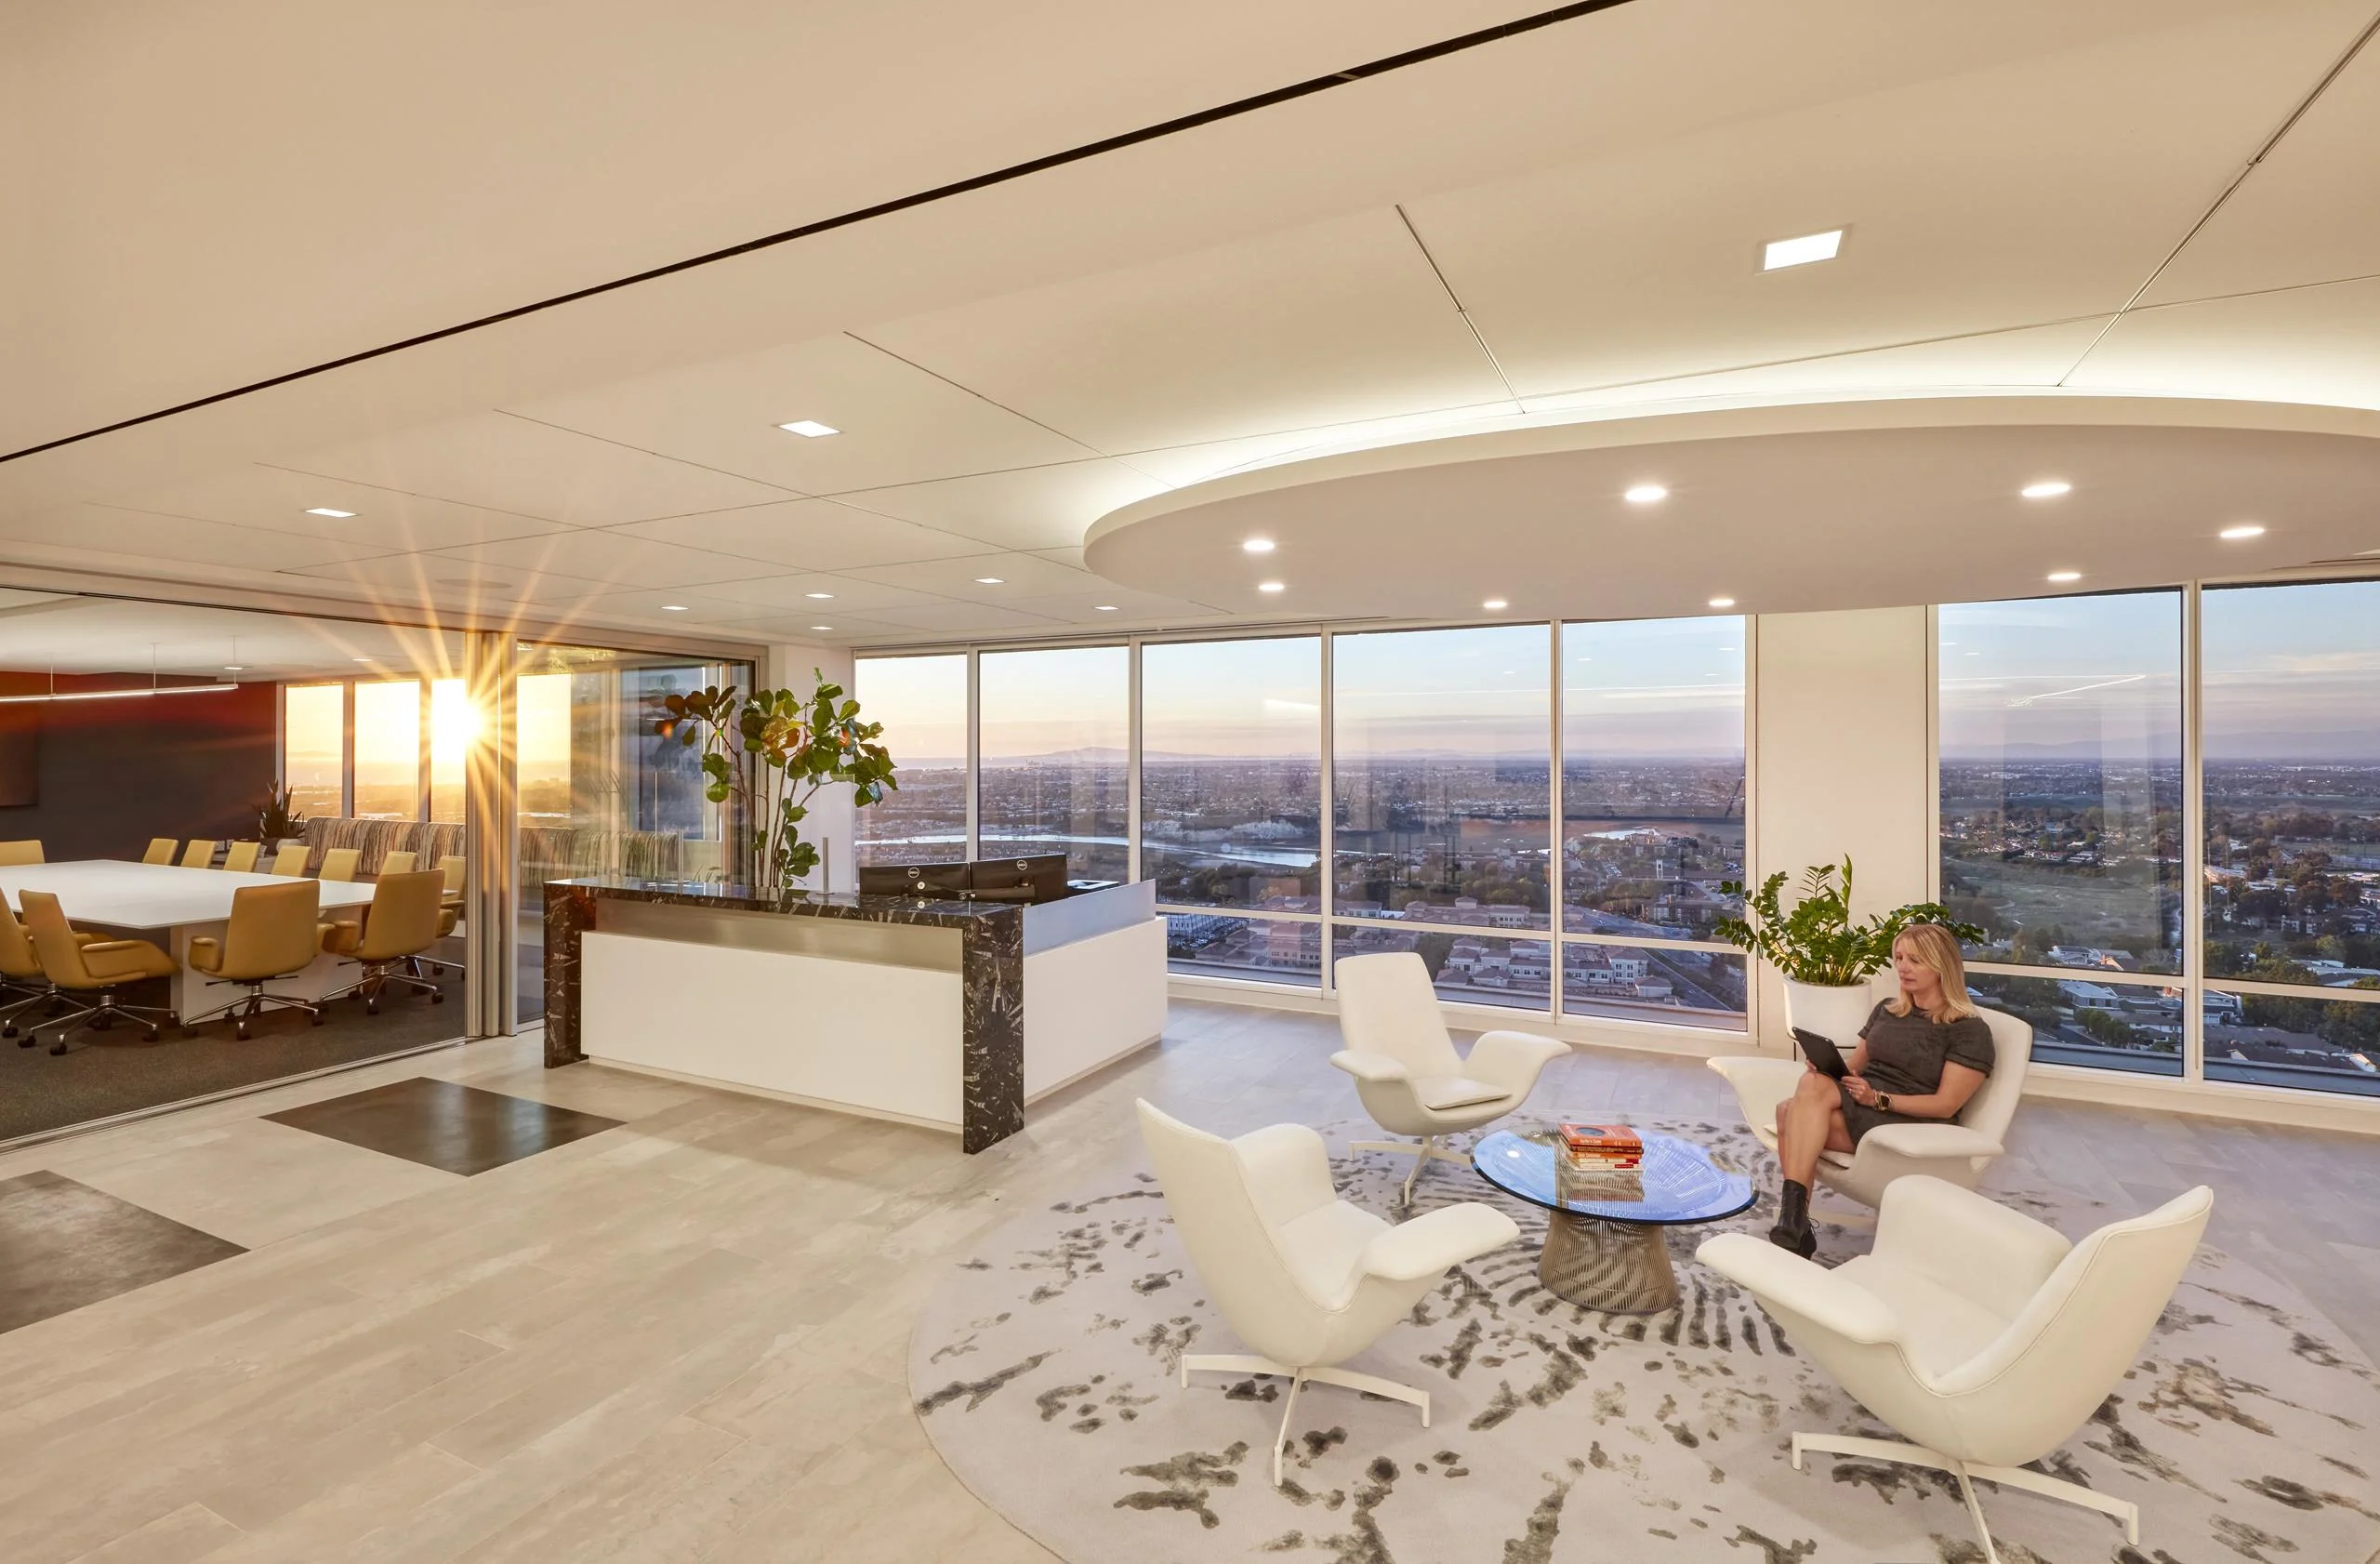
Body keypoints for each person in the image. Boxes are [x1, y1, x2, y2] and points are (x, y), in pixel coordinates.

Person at [1768, 922, 1994, 1256]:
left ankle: (1795, 1221)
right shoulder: (1887, 1010)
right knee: (1807, 1087)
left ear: (1942, 965)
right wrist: (1827, 1065)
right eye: (1899, 957)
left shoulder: (1968, 1030)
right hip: (1863, 1102)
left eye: (1915, 960)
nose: (1903, 967)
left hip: (1909, 1122)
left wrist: (1879, 1099)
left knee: (1789, 1113)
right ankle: (1795, 1222)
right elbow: (1854, 1067)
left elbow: (1946, 1105)